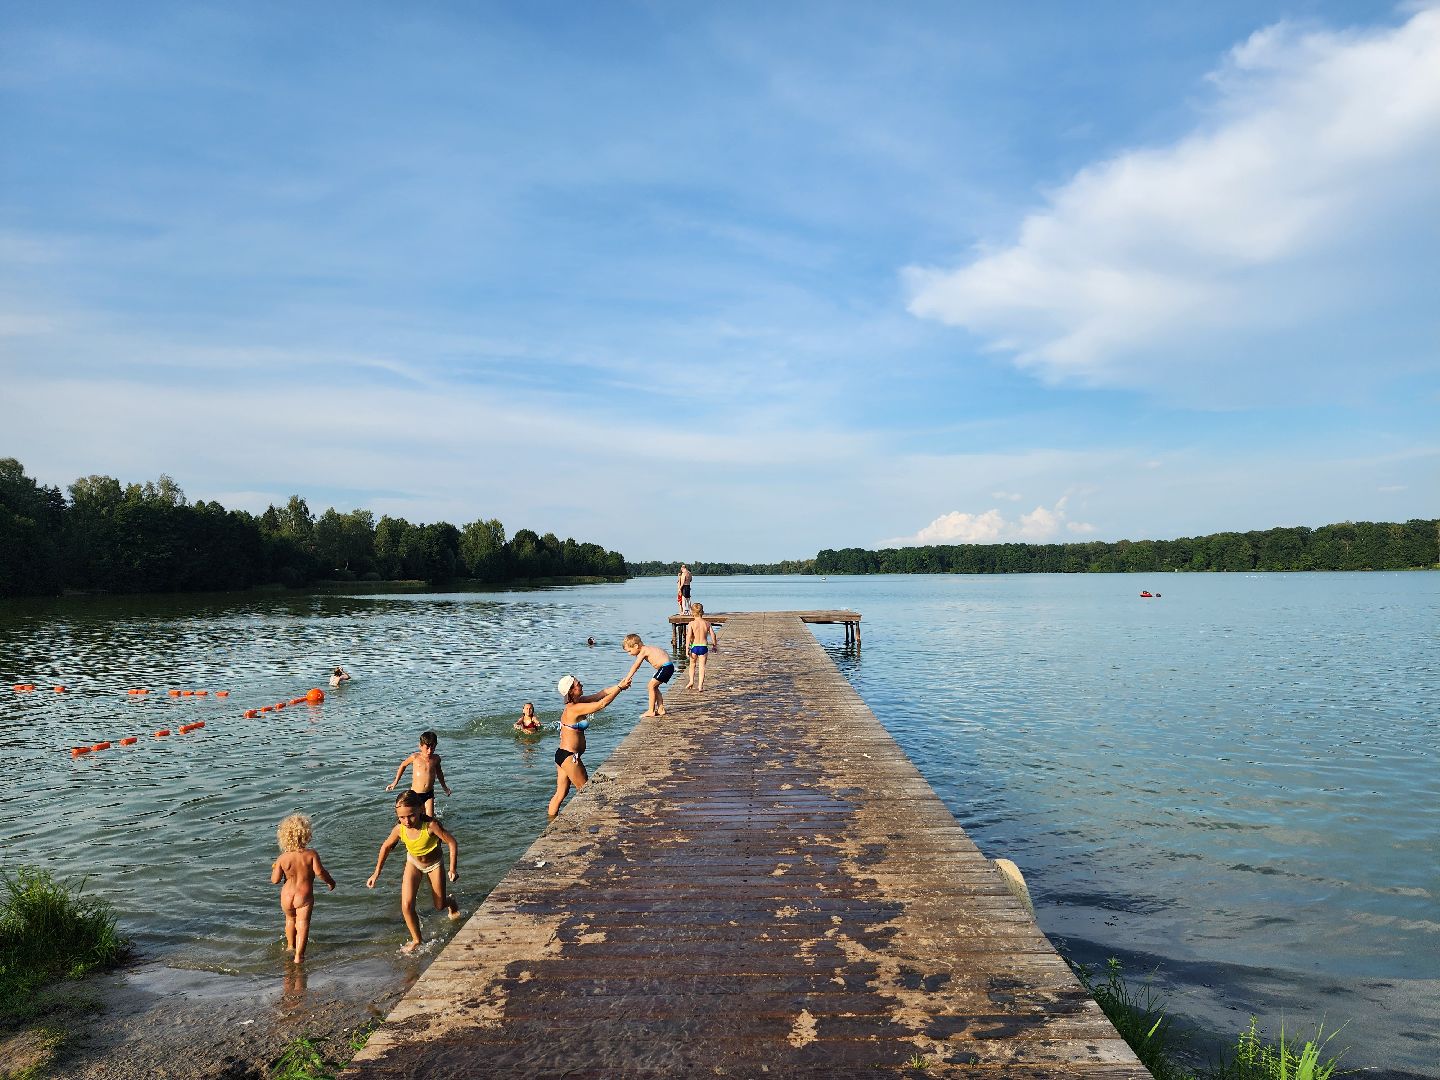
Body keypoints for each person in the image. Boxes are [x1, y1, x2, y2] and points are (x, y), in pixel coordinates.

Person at [365, 791, 461, 953]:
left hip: (434, 865)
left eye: (411, 816)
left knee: (439, 906)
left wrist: (452, 868)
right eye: (402, 817)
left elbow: (451, 843)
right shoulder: (399, 829)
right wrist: (376, 873)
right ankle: (417, 940)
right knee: (407, 905)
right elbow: (386, 847)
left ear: (421, 809)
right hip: (413, 863)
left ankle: (450, 902)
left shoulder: (431, 826)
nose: (406, 821)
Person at [549, 674, 626, 818]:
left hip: (561, 754)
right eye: (578, 684)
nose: (582, 684)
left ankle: (550, 821)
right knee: (586, 791)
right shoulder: (574, 709)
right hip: (569, 757)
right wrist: (620, 689)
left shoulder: (578, 703)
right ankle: (592, 819)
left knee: (561, 793)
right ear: (571, 690)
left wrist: (618, 685)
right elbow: (601, 704)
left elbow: (601, 694)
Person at [271, 813, 336, 964]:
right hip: (303, 896)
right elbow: (320, 872)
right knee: (303, 923)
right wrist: (330, 882)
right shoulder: (311, 854)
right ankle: (299, 956)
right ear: (306, 834)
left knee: (289, 920)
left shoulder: (282, 858)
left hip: (286, 895)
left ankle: (290, 946)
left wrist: (275, 867)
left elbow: (275, 880)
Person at [385, 730, 451, 818]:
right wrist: (395, 782)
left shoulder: (436, 759)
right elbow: (402, 765)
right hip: (416, 794)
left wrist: (445, 787)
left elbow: (439, 773)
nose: (430, 751)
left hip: (429, 794)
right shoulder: (415, 757)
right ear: (420, 746)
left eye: (433, 748)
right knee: (417, 817)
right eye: (427, 748)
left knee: (429, 819)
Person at [618, 633, 675, 718]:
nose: (629, 654)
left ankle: (651, 711)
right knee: (654, 687)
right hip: (668, 667)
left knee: (650, 686)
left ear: (636, 646)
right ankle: (660, 708)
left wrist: (628, 677)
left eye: (629, 651)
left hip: (665, 667)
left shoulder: (644, 651)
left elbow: (636, 665)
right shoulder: (649, 648)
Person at [686, 602, 720, 691]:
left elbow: (688, 636)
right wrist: (714, 645)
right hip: (703, 647)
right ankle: (700, 686)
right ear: (703, 612)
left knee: (692, 665)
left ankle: (691, 681)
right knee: (702, 667)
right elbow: (713, 635)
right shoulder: (707, 623)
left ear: (692, 613)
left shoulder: (691, 624)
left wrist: (687, 648)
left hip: (694, 647)